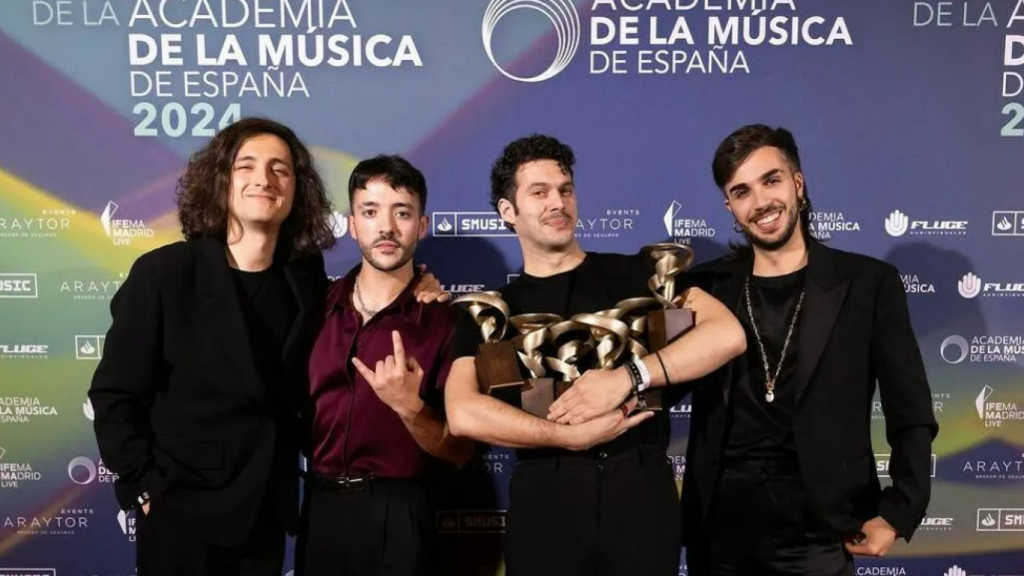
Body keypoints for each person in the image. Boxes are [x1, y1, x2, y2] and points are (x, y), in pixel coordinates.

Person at [89, 119, 444, 576]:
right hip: (183, 514)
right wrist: (143, 488)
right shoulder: (165, 275)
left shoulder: (303, 277)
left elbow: (368, 293)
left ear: (298, 190)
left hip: (267, 518)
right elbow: (114, 395)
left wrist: (421, 283)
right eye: (247, 166)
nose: (264, 179)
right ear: (222, 179)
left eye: (281, 169)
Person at [444, 134, 747, 576]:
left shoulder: (642, 276)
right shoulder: (491, 313)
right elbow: (463, 413)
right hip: (545, 503)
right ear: (508, 212)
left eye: (565, 189)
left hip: (642, 496)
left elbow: (727, 334)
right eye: (539, 192)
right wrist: (567, 437)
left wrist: (629, 376)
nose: (557, 202)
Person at [681, 124, 938, 576]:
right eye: (742, 191)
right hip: (720, 526)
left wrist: (900, 510)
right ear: (730, 207)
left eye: (771, 180)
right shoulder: (704, 289)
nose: (760, 202)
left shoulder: (867, 285)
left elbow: (911, 410)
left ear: (797, 184)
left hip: (822, 528)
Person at [300, 154, 475, 576]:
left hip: (403, 516)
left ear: (422, 226)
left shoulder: (447, 323)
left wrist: (409, 407)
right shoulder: (311, 307)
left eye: (402, 213)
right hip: (320, 511)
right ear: (351, 223)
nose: (387, 228)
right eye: (370, 211)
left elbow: (460, 451)